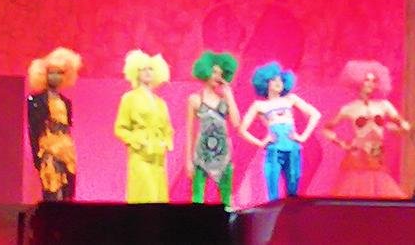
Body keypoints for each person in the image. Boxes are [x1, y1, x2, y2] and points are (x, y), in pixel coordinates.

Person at [323, 60, 409, 199]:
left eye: (373, 80)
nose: (370, 83)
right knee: (356, 189)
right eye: (367, 80)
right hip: (358, 152)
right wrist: (342, 143)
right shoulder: (349, 108)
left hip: (376, 151)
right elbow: (327, 129)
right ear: (358, 82)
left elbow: (404, 125)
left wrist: (397, 128)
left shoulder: (384, 105)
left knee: (379, 186)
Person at [239, 61, 321, 201]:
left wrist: (303, 137)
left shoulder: (291, 99)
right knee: (273, 192)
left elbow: (315, 114)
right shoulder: (259, 105)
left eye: (280, 80)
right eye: (274, 79)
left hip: (292, 149)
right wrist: (261, 143)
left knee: (293, 190)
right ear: (266, 83)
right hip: (274, 151)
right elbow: (242, 129)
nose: (278, 82)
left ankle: (291, 214)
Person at [114, 50, 174, 203]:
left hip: (158, 158)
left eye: (150, 69)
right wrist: (137, 141)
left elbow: (168, 129)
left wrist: (166, 143)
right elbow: (120, 128)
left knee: (159, 197)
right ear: (136, 72)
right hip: (140, 156)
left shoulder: (160, 103)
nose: (147, 72)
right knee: (143, 195)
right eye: (143, 69)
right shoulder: (129, 98)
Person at [26, 48, 82, 202]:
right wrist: (36, 156)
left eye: (60, 73)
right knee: (52, 186)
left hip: (66, 149)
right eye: (52, 72)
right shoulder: (36, 100)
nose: (55, 76)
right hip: (48, 148)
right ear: (44, 74)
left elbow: (68, 127)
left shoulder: (66, 102)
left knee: (67, 189)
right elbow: (33, 129)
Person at [186, 51, 241, 208]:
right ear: (206, 72)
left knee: (226, 200)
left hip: (222, 154)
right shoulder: (195, 100)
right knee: (197, 199)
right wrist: (188, 160)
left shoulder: (224, 101)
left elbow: (236, 123)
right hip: (201, 154)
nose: (218, 76)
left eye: (220, 73)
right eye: (214, 72)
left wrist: (229, 95)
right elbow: (190, 133)